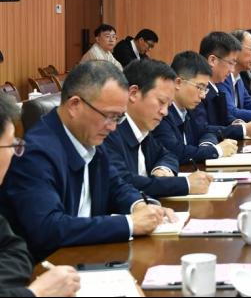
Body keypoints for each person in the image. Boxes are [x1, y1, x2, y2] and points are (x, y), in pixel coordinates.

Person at [0, 61, 175, 261]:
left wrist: (140, 206)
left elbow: (116, 186)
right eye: (109, 116)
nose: (113, 127)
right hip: (49, 267)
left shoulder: (90, 137)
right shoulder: (36, 153)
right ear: (75, 105)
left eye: (118, 118)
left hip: (87, 256)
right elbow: (48, 228)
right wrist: (130, 224)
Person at [0, 94, 81, 297]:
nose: (14, 153)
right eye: (11, 145)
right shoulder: (39, 150)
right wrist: (37, 293)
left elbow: (15, 250)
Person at [101, 59, 212, 198]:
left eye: (168, 105)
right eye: (161, 102)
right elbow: (124, 182)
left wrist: (163, 169)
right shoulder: (109, 132)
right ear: (133, 93)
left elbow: (168, 155)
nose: (165, 112)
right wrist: (185, 184)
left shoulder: (142, 130)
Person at [153, 51, 237, 164]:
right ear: (178, 82)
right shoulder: (162, 113)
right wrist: (217, 150)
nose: (203, 95)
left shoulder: (189, 109)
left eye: (205, 89)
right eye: (199, 87)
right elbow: (175, 152)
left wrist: (206, 144)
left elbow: (205, 131)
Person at [191, 32, 251, 140]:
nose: (232, 70)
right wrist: (244, 129)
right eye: (231, 63)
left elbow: (225, 117)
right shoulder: (197, 91)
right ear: (212, 60)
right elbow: (202, 130)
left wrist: (238, 123)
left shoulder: (215, 87)